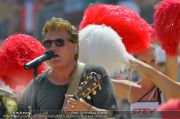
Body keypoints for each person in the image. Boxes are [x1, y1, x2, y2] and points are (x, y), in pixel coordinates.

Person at [19, 17, 119, 118]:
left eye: (59, 42)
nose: (53, 48)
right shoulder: (37, 84)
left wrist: (88, 109)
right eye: (48, 43)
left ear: (75, 48)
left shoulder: (95, 73)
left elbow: (112, 116)